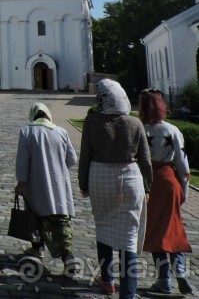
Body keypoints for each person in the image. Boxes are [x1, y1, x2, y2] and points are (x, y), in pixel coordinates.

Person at [78, 79, 152, 299]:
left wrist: (83, 182)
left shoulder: (92, 122)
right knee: (129, 236)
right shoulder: (134, 123)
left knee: (103, 227)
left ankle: (108, 280)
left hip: (99, 177)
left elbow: (85, 156)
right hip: (130, 178)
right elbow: (145, 159)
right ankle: (127, 293)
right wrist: (147, 185)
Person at [139, 89, 193, 295]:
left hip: (150, 184)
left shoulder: (140, 129)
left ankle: (163, 279)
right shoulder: (172, 130)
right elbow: (183, 165)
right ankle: (179, 270)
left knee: (156, 231)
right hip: (170, 182)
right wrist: (184, 191)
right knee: (174, 228)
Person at [14, 102, 77, 277]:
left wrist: (21, 182)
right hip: (58, 185)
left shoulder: (27, 132)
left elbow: (22, 162)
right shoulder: (61, 131)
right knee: (60, 222)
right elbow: (72, 159)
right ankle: (67, 256)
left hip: (36, 184)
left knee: (35, 217)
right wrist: (57, 167)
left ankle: (37, 248)